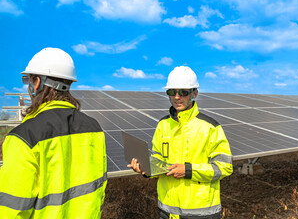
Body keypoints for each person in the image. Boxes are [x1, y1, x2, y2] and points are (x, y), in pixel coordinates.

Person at [0, 47, 107, 218]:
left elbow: (12, 210)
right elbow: (99, 186)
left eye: (29, 80)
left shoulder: (24, 137)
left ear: (37, 82)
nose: (28, 87)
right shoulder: (94, 128)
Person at [128, 66, 233, 219]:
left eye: (183, 92)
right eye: (172, 92)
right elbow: (158, 159)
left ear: (194, 94)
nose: (177, 97)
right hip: (167, 210)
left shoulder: (210, 127)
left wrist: (188, 170)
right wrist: (146, 169)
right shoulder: (163, 125)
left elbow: (224, 167)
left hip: (200, 212)